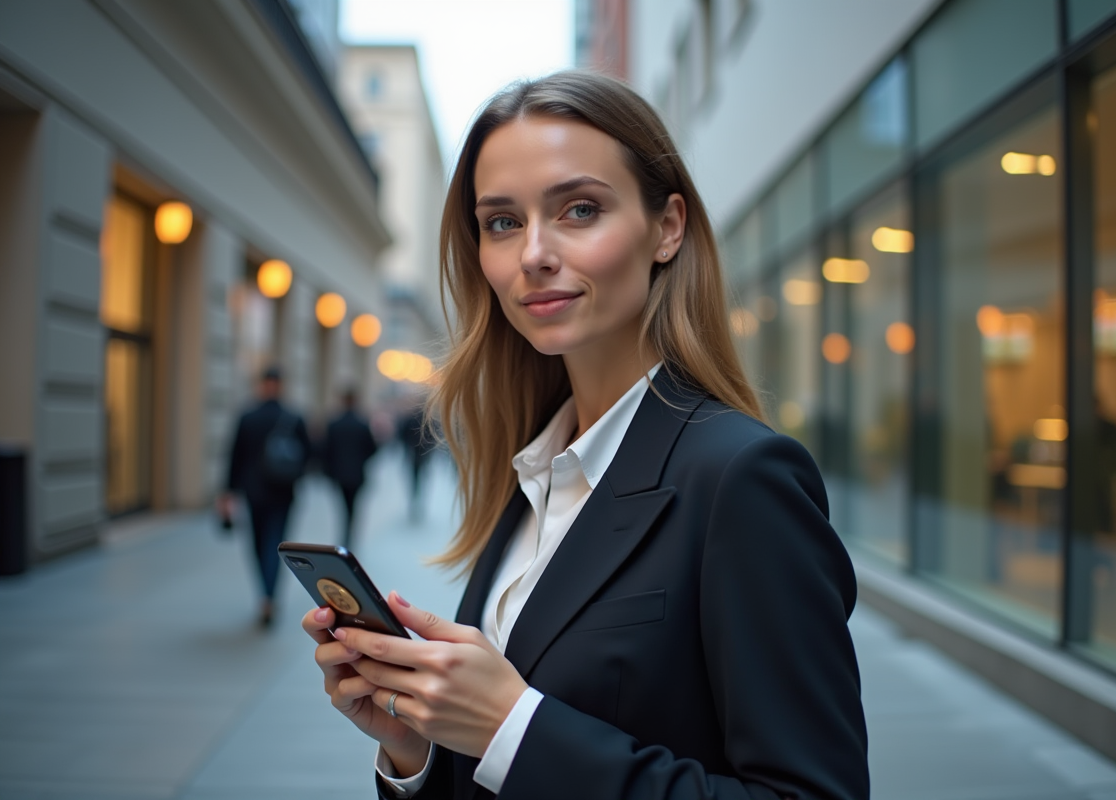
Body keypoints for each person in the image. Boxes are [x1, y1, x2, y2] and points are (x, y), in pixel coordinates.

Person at [301, 71, 869, 799]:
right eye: (502, 222)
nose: (533, 253)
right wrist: (416, 750)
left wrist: (512, 728)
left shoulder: (743, 478)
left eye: (579, 209)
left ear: (667, 227)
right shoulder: (533, 471)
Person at [221, 366, 311, 628]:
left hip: (254, 492)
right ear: (281, 385)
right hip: (283, 492)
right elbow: (308, 456)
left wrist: (228, 492)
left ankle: (265, 595)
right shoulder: (293, 417)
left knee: (258, 544)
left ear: (262, 384)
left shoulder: (248, 416)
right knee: (277, 543)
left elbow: (234, 456)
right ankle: (270, 596)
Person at [323, 389, 379, 548]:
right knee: (352, 506)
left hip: (339, 474)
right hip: (356, 474)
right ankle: (349, 533)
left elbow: (326, 450)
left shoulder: (334, 424)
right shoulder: (361, 424)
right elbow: (372, 448)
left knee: (343, 505)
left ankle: (346, 533)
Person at [395, 390, 434, 522]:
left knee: (415, 480)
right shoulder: (427, 420)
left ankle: (415, 502)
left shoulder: (411, 420)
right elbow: (433, 439)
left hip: (414, 455)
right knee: (421, 480)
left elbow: (402, 436)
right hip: (422, 456)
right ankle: (417, 502)